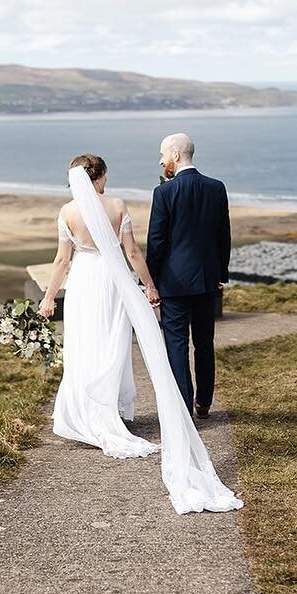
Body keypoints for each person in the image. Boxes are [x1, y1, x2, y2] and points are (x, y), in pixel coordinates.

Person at [38, 153, 241, 514]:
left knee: (84, 344)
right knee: (114, 344)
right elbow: (132, 252)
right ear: (101, 176)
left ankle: (87, 414)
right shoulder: (116, 206)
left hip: (84, 284)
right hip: (113, 282)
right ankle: (114, 410)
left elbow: (61, 260)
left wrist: (50, 296)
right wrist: (149, 286)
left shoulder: (68, 212)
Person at [144, 133, 231, 418]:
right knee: (204, 343)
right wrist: (220, 273)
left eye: (162, 154)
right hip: (207, 280)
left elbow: (156, 242)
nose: (160, 160)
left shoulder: (164, 193)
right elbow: (223, 236)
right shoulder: (217, 188)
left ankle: (183, 407)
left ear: (176, 156)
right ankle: (204, 403)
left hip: (173, 284)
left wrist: (150, 281)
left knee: (177, 344)